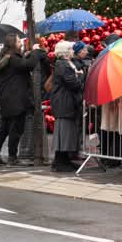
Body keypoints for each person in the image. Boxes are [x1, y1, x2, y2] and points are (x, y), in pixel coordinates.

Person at [0, 34, 36, 165]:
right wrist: (36, 52)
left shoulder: (6, 58)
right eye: (18, 41)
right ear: (13, 44)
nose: (21, 43)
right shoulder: (14, 59)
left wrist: (26, 54)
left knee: (3, 128)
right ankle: (12, 157)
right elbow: (29, 65)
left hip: (7, 98)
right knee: (15, 130)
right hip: (17, 100)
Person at [50, 41, 83, 172]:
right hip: (64, 102)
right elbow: (73, 83)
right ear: (64, 52)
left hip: (66, 102)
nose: (72, 51)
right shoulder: (63, 65)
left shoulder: (65, 64)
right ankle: (60, 161)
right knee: (64, 133)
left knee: (66, 133)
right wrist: (80, 77)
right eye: (70, 49)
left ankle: (64, 160)